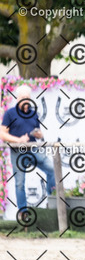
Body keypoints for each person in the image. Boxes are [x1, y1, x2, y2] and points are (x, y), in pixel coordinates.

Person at [0, 85, 55, 217]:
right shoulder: (10, 113)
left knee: (52, 170)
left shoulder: (33, 113)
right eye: (23, 97)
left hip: (33, 148)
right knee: (20, 182)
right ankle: (23, 212)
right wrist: (18, 140)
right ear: (18, 99)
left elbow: (38, 132)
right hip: (18, 151)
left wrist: (39, 134)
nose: (26, 100)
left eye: (28, 97)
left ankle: (52, 201)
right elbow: (2, 134)